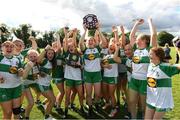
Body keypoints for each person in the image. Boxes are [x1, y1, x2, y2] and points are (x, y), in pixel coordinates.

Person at [129, 18, 157, 119]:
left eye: (139, 39)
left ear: (145, 40)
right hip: (134, 79)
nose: (136, 40)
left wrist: (150, 21)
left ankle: (144, 117)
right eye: (136, 39)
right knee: (132, 101)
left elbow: (153, 35)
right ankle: (133, 117)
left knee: (144, 104)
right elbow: (131, 36)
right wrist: (137, 24)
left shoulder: (149, 50)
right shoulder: (135, 49)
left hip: (145, 81)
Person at [145, 47, 180, 119]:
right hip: (151, 99)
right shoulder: (150, 65)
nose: (149, 55)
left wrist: (178, 51)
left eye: (151, 54)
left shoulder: (165, 67)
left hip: (162, 102)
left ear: (158, 56)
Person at [79, 23, 106, 116]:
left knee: (98, 94)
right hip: (87, 74)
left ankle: (96, 103)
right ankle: (90, 108)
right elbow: (80, 43)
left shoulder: (97, 49)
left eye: (92, 40)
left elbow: (104, 42)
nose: (90, 41)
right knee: (89, 93)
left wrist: (99, 30)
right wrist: (85, 31)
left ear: (95, 42)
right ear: (87, 42)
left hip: (97, 74)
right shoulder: (84, 49)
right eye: (89, 40)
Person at [63, 27, 84, 117]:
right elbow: (66, 42)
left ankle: (82, 107)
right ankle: (66, 110)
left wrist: (81, 66)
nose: (70, 48)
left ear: (75, 47)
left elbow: (82, 66)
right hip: (69, 78)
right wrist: (66, 33)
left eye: (72, 46)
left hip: (78, 77)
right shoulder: (67, 53)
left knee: (80, 94)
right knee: (67, 95)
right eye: (69, 47)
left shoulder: (79, 54)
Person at [0, 41, 23, 119]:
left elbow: (20, 73)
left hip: (16, 87)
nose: (9, 48)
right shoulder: (0, 58)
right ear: (2, 48)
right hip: (4, 89)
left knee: (17, 111)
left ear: (14, 49)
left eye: (11, 46)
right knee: (8, 112)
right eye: (6, 46)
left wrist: (20, 72)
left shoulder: (17, 59)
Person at [101, 42, 121, 117]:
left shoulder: (116, 56)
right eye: (110, 46)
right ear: (108, 48)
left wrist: (117, 48)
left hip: (113, 77)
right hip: (105, 77)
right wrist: (105, 66)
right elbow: (101, 64)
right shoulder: (105, 56)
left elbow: (116, 59)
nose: (111, 47)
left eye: (113, 46)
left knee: (111, 94)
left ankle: (114, 109)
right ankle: (107, 103)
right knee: (105, 92)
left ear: (115, 48)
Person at [36, 45, 56, 119]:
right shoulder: (45, 60)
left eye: (52, 54)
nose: (50, 55)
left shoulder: (52, 62)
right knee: (53, 100)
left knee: (51, 99)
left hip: (47, 84)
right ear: (46, 54)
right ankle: (47, 117)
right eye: (49, 53)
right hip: (42, 84)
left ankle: (43, 104)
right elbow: (37, 60)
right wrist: (45, 49)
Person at [22, 49, 40, 119]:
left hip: (34, 82)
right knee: (31, 102)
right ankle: (26, 117)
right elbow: (23, 77)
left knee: (40, 92)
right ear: (28, 58)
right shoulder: (26, 65)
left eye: (34, 56)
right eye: (31, 57)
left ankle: (38, 100)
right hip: (25, 83)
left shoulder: (38, 63)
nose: (33, 58)